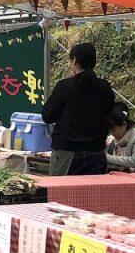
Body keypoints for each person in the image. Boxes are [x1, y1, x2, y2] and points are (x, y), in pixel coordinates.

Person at [41, 42, 115, 176]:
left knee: (62, 195)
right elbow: (109, 114)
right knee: (94, 196)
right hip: (97, 153)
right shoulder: (105, 87)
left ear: (74, 60)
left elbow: (47, 116)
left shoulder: (65, 86)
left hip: (67, 154)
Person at [105, 104, 135, 172]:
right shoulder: (114, 142)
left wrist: (109, 158)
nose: (111, 133)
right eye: (109, 130)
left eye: (113, 129)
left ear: (124, 124)